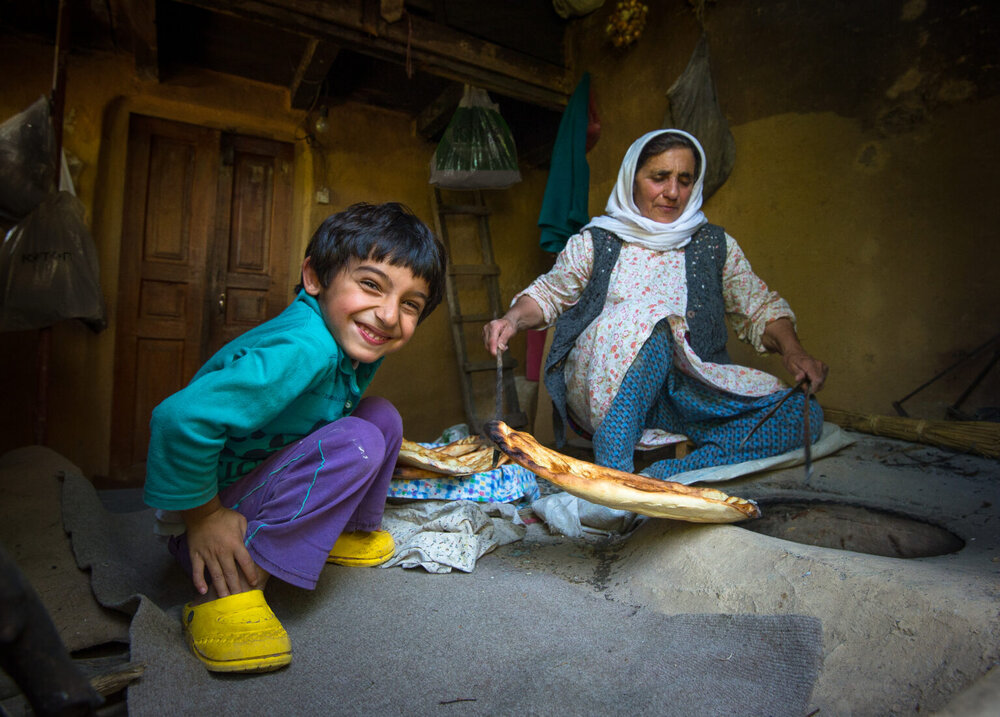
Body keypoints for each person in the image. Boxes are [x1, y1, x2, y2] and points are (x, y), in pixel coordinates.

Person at [143, 202, 446, 673]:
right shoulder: (306, 348)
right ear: (315, 277)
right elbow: (178, 419)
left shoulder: (349, 342)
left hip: (251, 486)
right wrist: (205, 518)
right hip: (211, 528)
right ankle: (229, 593)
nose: (389, 315)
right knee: (358, 442)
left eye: (410, 304)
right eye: (371, 284)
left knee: (381, 417)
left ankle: (341, 531)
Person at [483, 129, 828, 481]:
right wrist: (512, 320)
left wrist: (793, 350)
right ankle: (615, 470)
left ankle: (671, 473)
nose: (673, 192)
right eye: (659, 177)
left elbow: (758, 308)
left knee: (803, 416)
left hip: (690, 395)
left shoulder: (714, 246)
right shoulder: (596, 243)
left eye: (685, 180)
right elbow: (549, 294)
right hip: (611, 394)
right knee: (655, 321)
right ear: (632, 179)